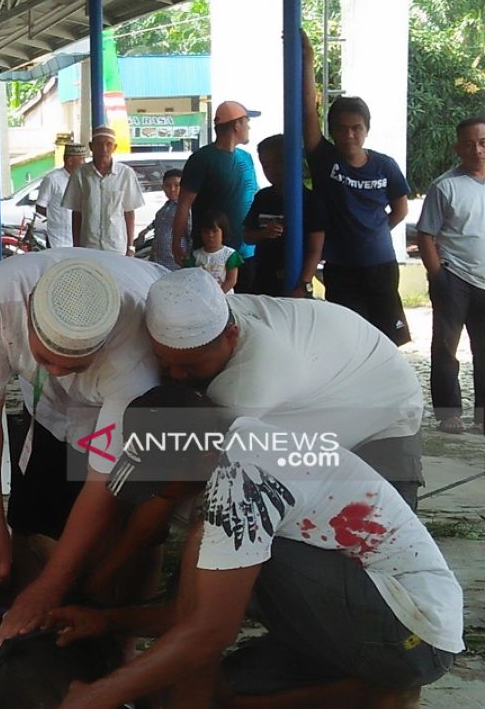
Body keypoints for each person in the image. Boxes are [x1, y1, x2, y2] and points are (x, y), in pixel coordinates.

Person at [46, 384, 463, 709]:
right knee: (228, 701)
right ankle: (379, 692)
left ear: (203, 457)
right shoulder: (230, 446)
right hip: (364, 627)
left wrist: (101, 696)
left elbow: (210, 629)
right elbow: (196, 613)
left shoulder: (242, 476)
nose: (159, 497)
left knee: (209, 536)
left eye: (162, 483)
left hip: (410, 629)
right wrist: (107, 621)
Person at [0, 250, 167, 642]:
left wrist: (51, 587)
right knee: (33, 527)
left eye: (71, 367)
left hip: (116, 412)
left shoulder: (136, 357)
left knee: (123, 542)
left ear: (100, 348)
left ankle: (119, 643)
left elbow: (102, 481)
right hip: (48, 413)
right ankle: (40, 633)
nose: (55, 372)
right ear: (29, 314)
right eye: (43, 358)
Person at [144, 268, 424, 510]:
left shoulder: (249, 382)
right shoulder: (207, 315)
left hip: (384, 408)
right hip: (322, 380)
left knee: (374, 539)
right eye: (163, 361)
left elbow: (178, 484)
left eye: (190, 367)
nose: (176, 374)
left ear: (231, 336)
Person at [302, 32, 411, 345]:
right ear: (333, 131)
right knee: (349, 340)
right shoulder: (325, 160)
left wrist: (373, 229)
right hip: (340, 268)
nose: (349, 134)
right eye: (341, 128)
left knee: (388, 341)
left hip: (382, 265)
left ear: (366, 129)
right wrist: (308, 59)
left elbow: (400, 209)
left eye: (356, 128)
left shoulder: (385, 165)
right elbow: (309, 113)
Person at [416, 115, 485, 435]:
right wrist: (437, 277)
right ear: (458, 148)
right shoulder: (446, 186)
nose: (477, 150)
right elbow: (426, 235)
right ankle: (448, 413)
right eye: (469, 144)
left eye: (483, 142)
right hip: (454, 276)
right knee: (445, 347)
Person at [171, 101, 259, 291]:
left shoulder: (246, 158)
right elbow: (184, 204)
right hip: (211, 252)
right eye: (246, 121)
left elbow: (254, 197)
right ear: (236, 125)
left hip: (246, 249)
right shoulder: (202, 159)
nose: (249, 126)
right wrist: (177, 241)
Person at [242, 133, 327, 297]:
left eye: (278, 163)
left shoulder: (310, 200)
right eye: (266, 166)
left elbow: (315, 248)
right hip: (264, 280)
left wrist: (304, 284)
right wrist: (264, 233)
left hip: (296, 281)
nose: (273, 170)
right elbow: (247, 236)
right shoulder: (262, 197)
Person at [60, 126, 144, 254]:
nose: (104, 149)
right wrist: (76, 248)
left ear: (114, 147)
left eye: (108, 144)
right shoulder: (80, 174)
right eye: (99, 144)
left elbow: (129, 212)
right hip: (88, 246)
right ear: (91, 146)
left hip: (116, 246)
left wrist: (130, 247)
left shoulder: (126, 174)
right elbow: (76, 213)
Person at [35, 143, 88, 248]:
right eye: (81, 159)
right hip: (58, 240)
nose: (84, 163)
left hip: (79, 239)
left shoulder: (84, 179)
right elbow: (40, 207)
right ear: (70, 161)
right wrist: (56, 218)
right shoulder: (52, 179)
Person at [136, 168, 189, 270]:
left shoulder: (186, 209)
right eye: (168, 186)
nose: (172, 189)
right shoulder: (165, 208)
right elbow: (157, 222)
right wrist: (145, 231)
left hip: (175, 264)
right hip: (158, 261)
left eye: (177, 185)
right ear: (163, 187)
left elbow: (190, 235)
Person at [185, 210, 243, 292]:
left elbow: (231, 280)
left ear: (223, 232)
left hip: (223, 297)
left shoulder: (230, 255)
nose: (210, 235)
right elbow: (189, 278)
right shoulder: (195, 256)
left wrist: (218, 295)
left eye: (215, 231)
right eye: (206, 232)